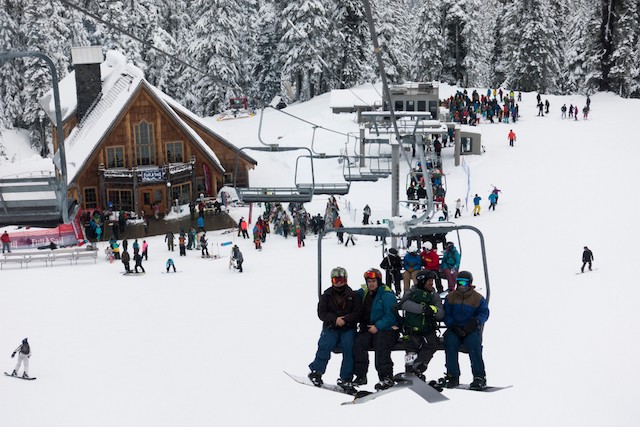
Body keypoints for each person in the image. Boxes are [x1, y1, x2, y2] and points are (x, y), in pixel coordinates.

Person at [308, 267, 362, 391]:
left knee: (349, 347)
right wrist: (335, 319)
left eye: (341, 279)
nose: (339, 282)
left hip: (348, 328)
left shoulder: (352, 295)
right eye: (336, 279)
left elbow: (357, 312)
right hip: (332, 327)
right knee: (326, 343)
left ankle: (346, 377)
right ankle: (317, 371)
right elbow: (322, 313)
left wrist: (346, 319)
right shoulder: (327, 295)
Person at [352, 268, 400, 390]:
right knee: (358, 343)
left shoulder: (386, 294)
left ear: (378, 281)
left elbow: (391, 315)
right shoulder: (364, 292)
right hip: (369, 329)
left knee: (381, 343)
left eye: (373, 281)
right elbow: (350, 295)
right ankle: (360, 375)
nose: (371, 284)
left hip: (387, 329)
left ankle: (386, 376)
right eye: (369, 281)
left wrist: (378, 326)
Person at [442, 271, 490, 391]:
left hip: (470, 329)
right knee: (450, 343)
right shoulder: (451, 297)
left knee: (474, 345)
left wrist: (476, 322)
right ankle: (453, 375)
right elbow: (446, 313)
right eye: (459, 283)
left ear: (470, 284)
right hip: (455, 328)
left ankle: (479, 376)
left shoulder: (477, 298)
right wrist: (452, 325)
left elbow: (484, 312)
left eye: (464, 283)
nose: (461, 286)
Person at [399, 270, 444, 379]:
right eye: (429, 280)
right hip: (412, 330)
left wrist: (433, 310)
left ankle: (418, 366)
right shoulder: (412, 292)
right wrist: (422, 309)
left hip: (428, 330)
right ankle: (410, 370)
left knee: (431, 344)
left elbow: (441, 314)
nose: (431, 283)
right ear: (422, 281)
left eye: (432, 281)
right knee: (411, 346)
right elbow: (403, 304)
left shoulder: (434, 295)